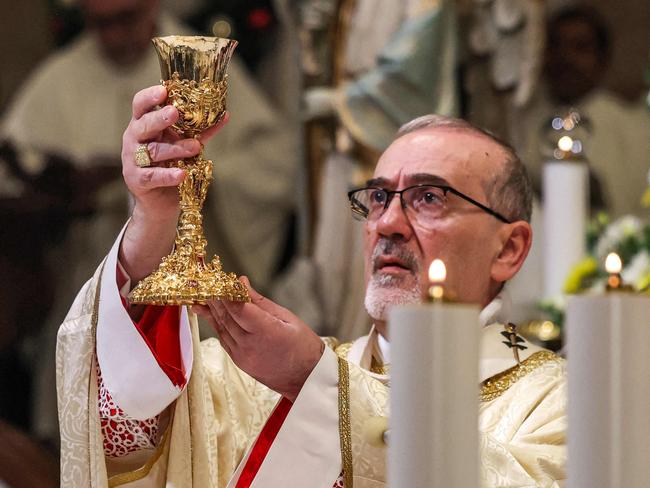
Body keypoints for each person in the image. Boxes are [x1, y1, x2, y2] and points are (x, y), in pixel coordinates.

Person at [57, 86, 566, 487]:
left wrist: (315, 383)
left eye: (429, 197)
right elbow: (126, 422)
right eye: (379, 197)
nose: (387, 223)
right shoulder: (253, 383)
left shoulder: (562, 400)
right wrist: (154, 221)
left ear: (509, 250)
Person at [3, 0, 298, 443]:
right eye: (101, 24)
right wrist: (59, 190)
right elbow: (12, 176)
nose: (115, 36)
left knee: (196, 429)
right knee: (95, 427)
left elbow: (273, 166)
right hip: (89, 273)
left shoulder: (197, 64)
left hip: (194, 298)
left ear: (151, 8)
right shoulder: (60, 78)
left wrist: (195, 169)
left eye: (126, 19)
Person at [520, 5, 650, 217]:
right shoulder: (527, 125)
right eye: (555, 46)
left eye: (580, 47)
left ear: (602, 59)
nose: (565, 57)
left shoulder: (634, 128)